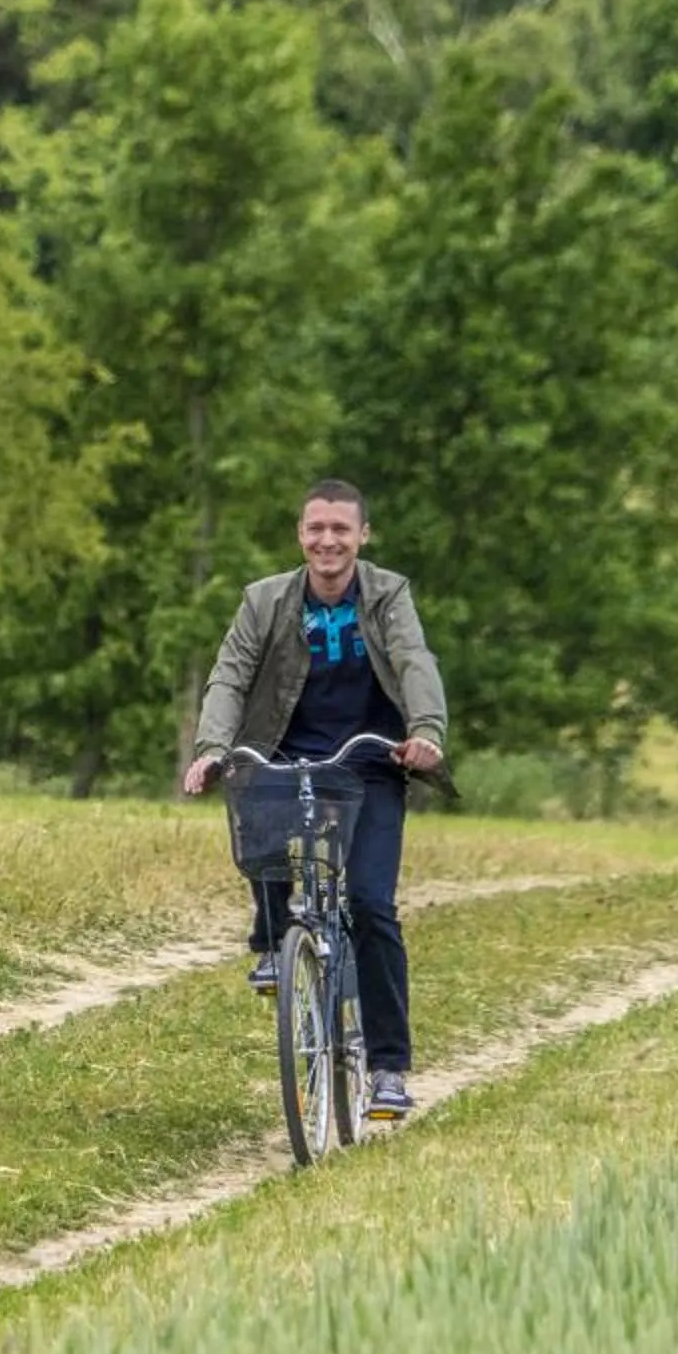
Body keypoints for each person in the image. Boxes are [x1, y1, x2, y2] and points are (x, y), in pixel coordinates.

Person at [180, 479, 449, 1122]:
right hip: (284, 755)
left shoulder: (388, 595)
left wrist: (426, 732)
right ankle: (275, 941)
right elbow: (230, 675)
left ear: (363, 536)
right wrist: (213, 748)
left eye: (341, 529)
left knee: (371, 905)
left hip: (370, 763)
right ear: (300, 534)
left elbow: (415, 661)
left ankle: (387, 1067)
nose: (328, 541)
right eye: (316, 528)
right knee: (255, 813)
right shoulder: (264, 600)